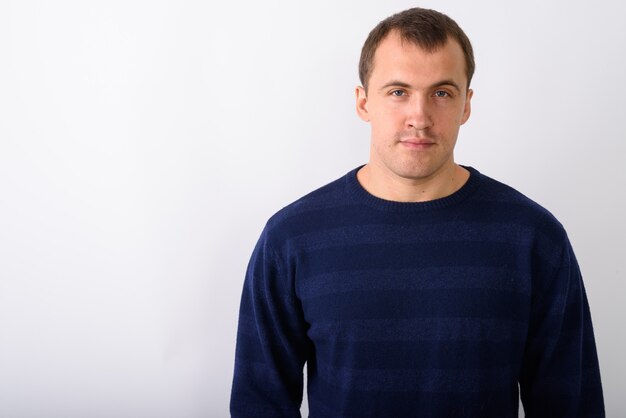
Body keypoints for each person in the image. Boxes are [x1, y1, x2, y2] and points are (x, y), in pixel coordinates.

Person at [230, 7, 604, 417]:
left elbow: (572, 405)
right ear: (363, 102)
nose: (420, 118)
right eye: (398, 92)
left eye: (442, 93)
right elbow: (259, 404)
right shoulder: (291, 239)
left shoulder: (534, 238)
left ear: (466, 105)